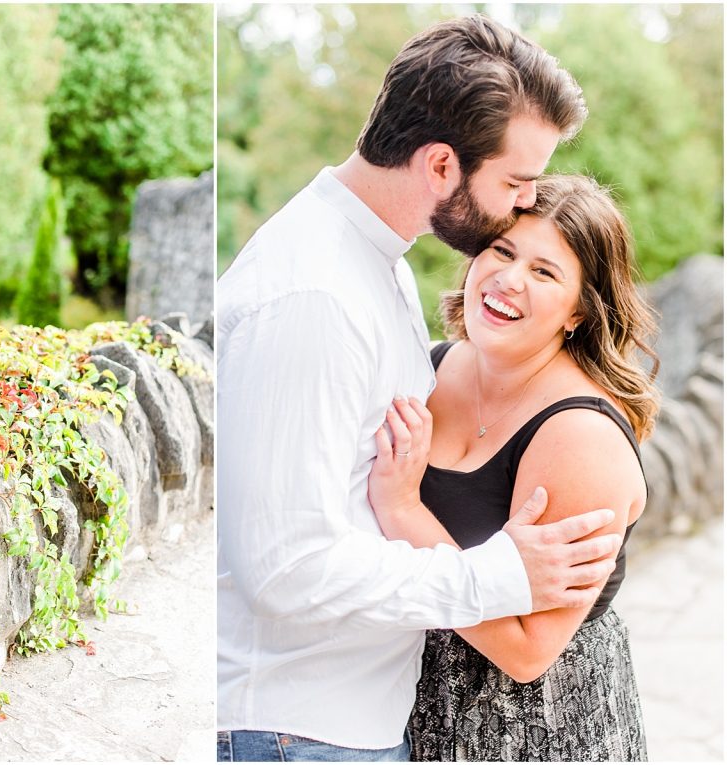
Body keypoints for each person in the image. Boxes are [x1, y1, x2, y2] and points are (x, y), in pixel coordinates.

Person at [218, 14, 620, 762]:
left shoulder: (378, 265)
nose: (526, 204)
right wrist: (493, 575)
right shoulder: (315, 294)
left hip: (341, 722)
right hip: (295, 729)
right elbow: (284, 566)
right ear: (441, 166)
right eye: (514, 183)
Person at [368, 174, 658, 761]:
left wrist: (401, 509)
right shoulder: (430, 369)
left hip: (534, 729)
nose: (508, 279)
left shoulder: (580, 435)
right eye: (502, 251)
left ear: (579, 310)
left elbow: (529, 650)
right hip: (396, 706)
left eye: (544, 272)